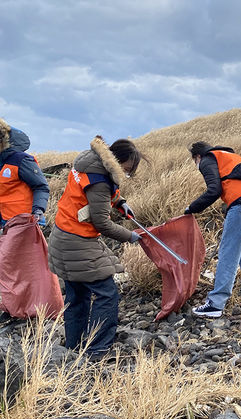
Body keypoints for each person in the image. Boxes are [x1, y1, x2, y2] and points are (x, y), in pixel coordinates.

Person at [49, 136, 145, 359]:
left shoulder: (90, 160)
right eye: (127, 169)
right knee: (106, 293)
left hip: (62, 234)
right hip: (77, 241)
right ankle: (97, 350)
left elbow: (94, 196)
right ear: (117, 161)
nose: (127, 174)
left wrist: (120, 202)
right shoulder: (100, 178)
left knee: (77, 295)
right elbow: (102, 223)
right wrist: (130, 236)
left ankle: (74, 348)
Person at [186, 141, 241, 317]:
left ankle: (216, 304)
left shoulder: (207, 160)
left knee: (229, 250)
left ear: (197, 156)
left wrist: (192, 208)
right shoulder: (230, 156)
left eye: (194, 160)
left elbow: (214, 190)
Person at [0, 119, 50, 228]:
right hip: (4, 222)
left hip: (23, 223)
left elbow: (41, 187)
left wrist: (38, 210)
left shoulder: (21, 160)